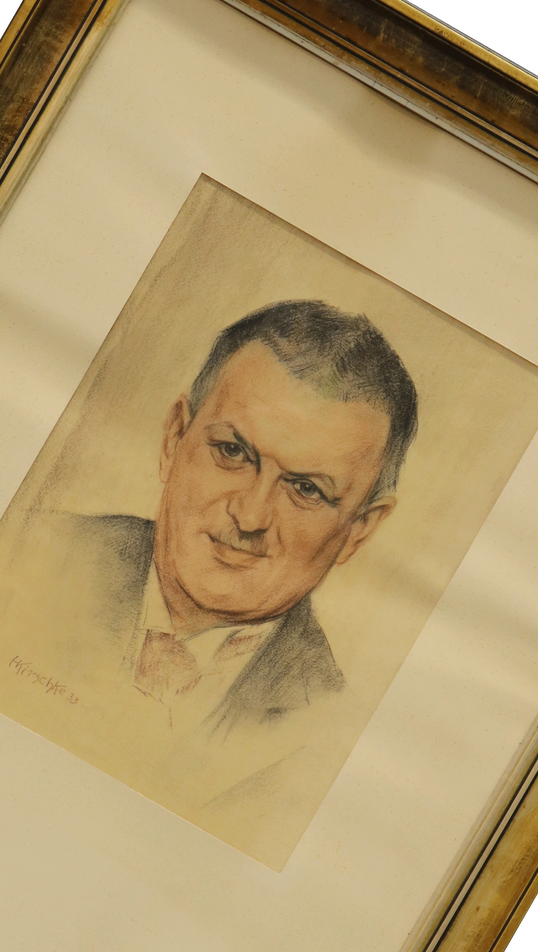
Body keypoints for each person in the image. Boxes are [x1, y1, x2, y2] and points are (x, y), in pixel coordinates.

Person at [37, 300, 419, 736]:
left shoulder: (325, 728)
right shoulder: (26, 548)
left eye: (306, 489)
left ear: (358, 531)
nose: (250, 515)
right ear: (173, 439)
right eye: (232, 452)